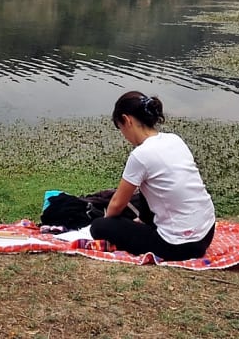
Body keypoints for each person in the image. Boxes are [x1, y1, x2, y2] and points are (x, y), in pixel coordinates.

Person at [89, 90, 216, 260]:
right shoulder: (174, 139)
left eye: (121, 129)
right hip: (207, 232)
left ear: (127, 120)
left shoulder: (140, 155)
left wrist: (109, 224)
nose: (124, 136)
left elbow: (117, 204)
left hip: (180, 245)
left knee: (98, 227)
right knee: (147, 187)